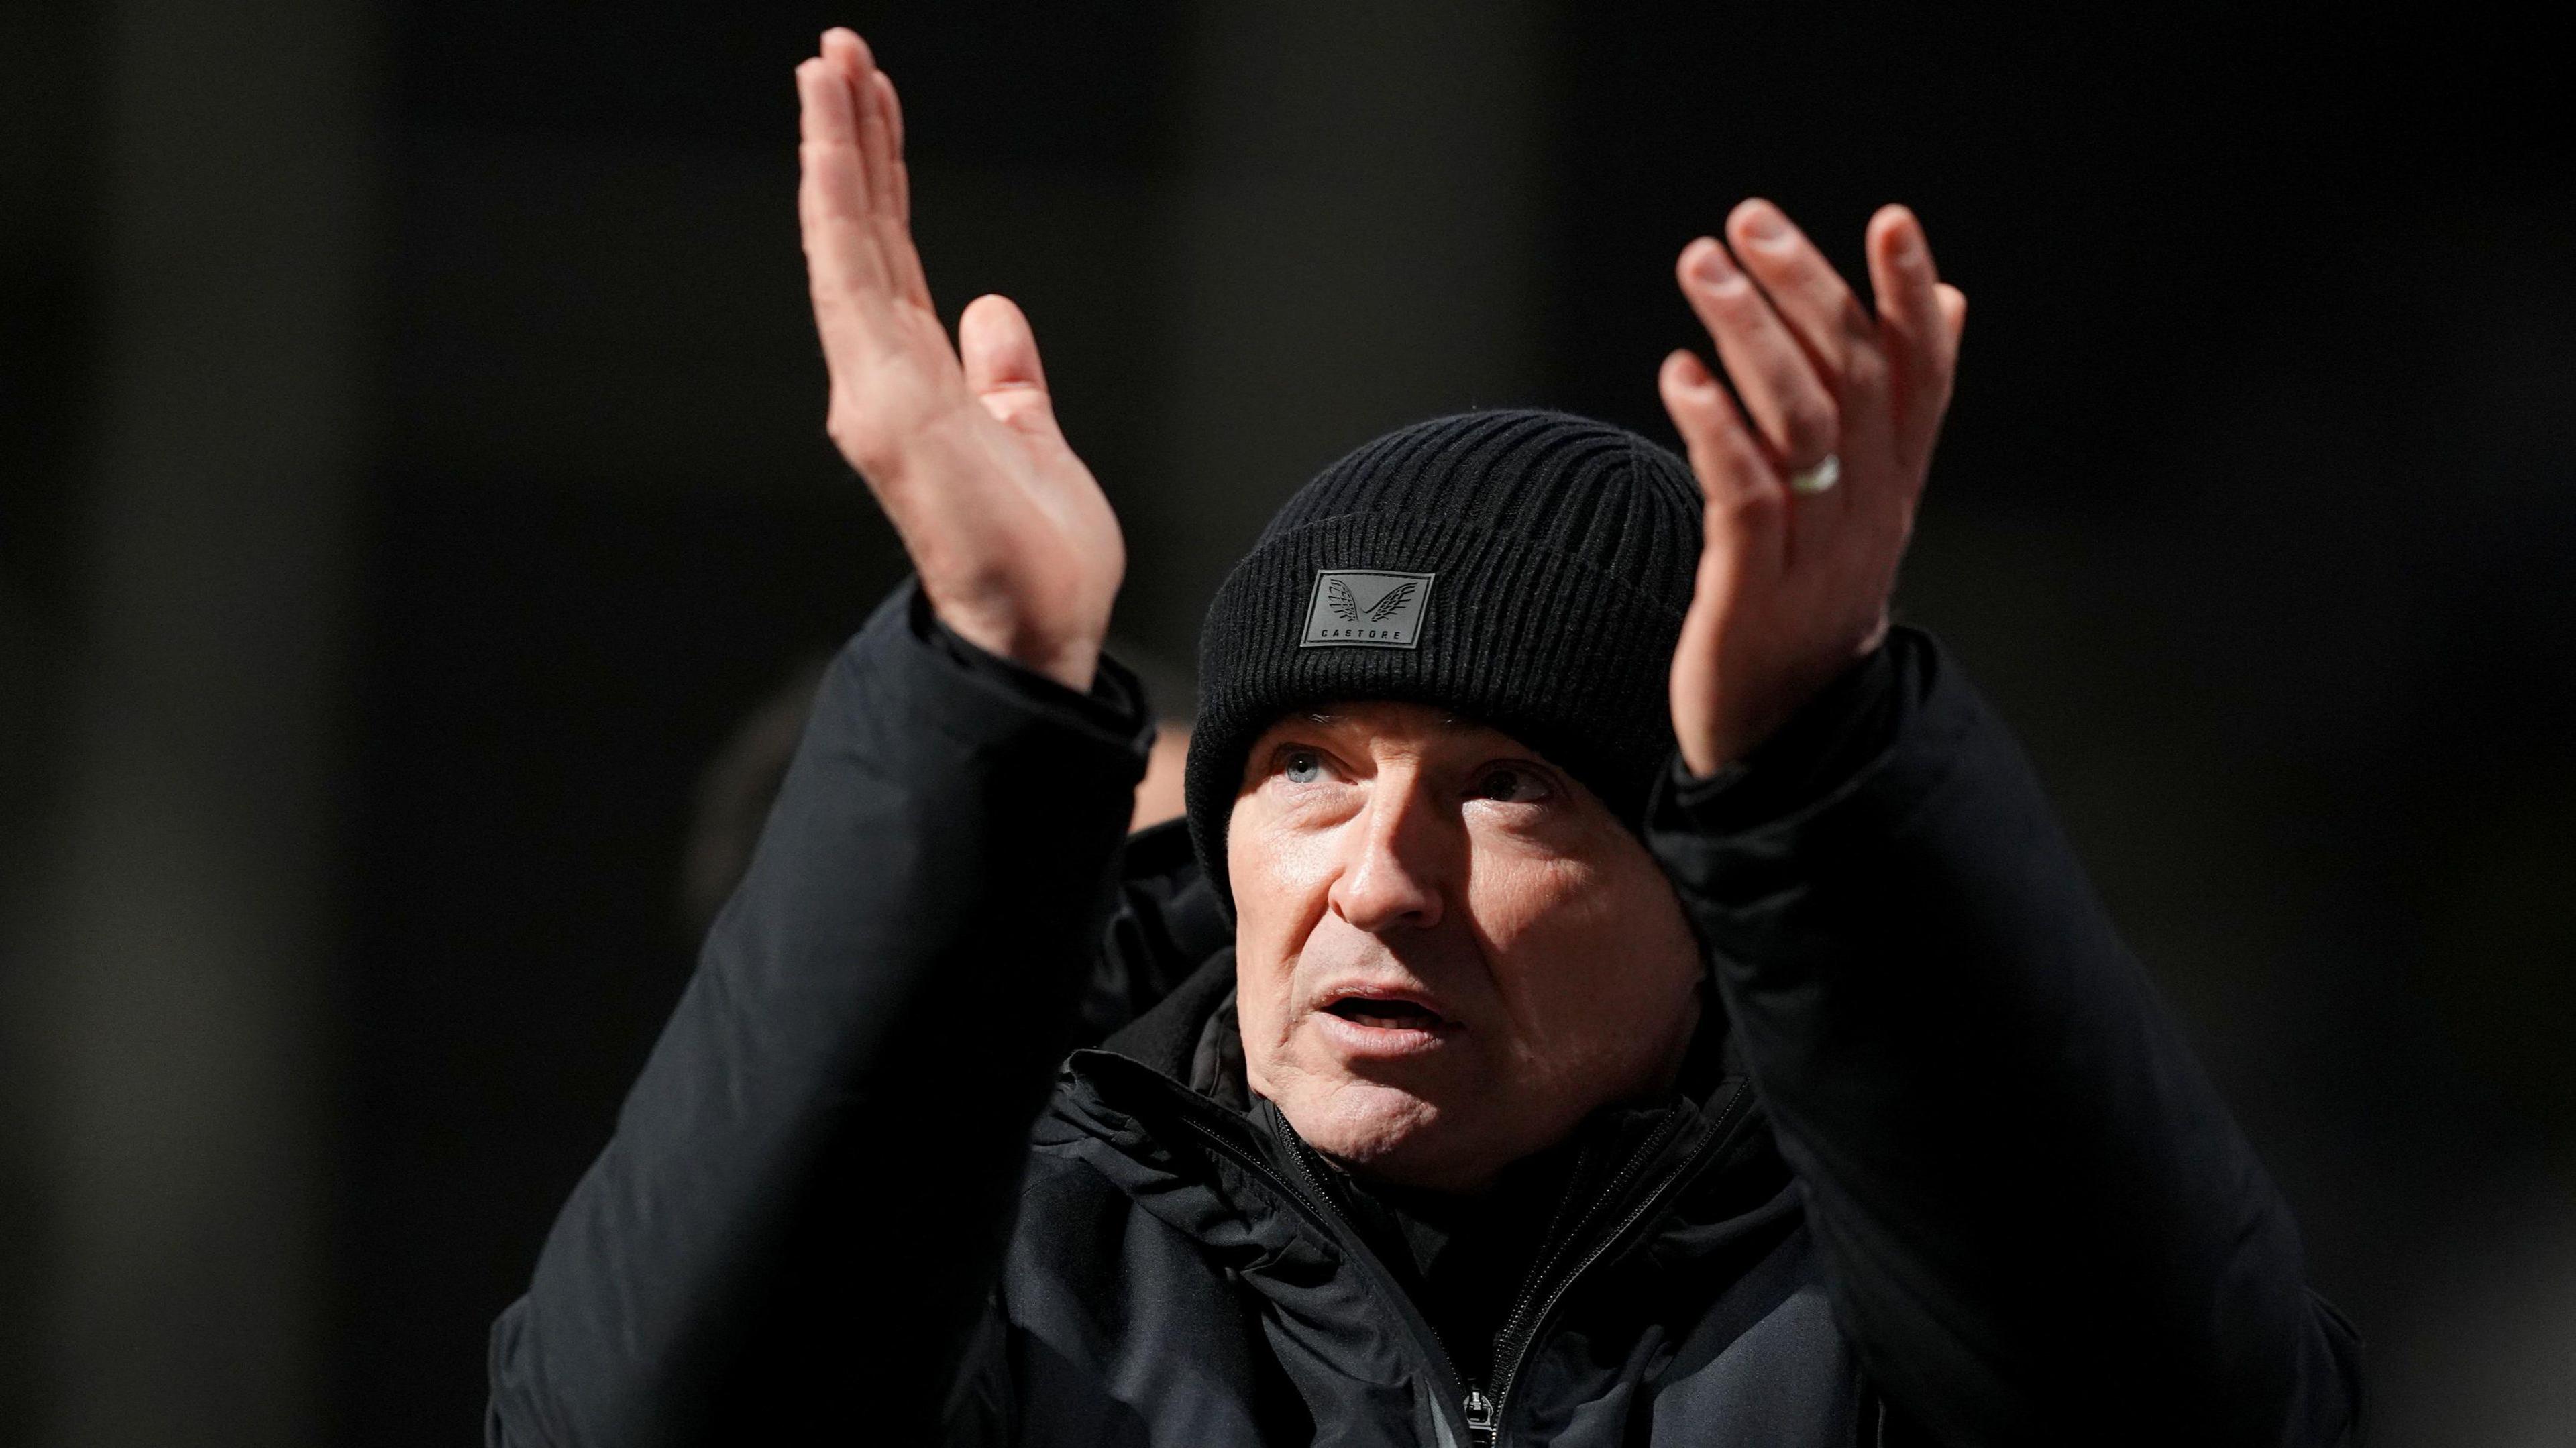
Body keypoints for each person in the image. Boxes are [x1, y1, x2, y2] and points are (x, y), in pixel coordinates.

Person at [486, 27, 2363, 1447]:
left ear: (1699, 887)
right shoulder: (1021, 1252)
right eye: (1309, 768)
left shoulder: (1873, 1303)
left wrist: (1820, 772)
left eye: (1512, 789)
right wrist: (987, 671)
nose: (1379, 880)